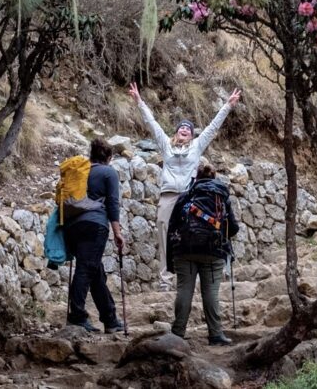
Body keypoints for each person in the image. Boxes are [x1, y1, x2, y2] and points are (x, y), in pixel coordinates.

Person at [129, 81, 241, 290]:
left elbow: (212, 128)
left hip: (190, 196)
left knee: (192, 233)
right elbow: (152, 124)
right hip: (169, 195)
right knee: (163, 231)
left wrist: (227, 106)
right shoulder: (166, 145)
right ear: (176, 132)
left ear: (191, 134)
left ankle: (191, 279)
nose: (184, 129)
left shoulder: (197, 147)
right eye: (181, 127)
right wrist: (139, 101)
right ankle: (165, 279)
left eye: (187, 129)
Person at [167, 165, 239, 345]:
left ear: (196, 178)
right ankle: (215, 334)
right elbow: (234, 228)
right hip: (213, 252)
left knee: (184, 290)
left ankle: (177, 333)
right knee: (211, 293)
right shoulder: (221, 197)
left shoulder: (187, 195)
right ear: (214, 178)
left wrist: (170, 260)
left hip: (185, 251)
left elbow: (172, 226)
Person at [64, 138, 125, 333]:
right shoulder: (108, 172)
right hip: (94, 225)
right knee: (86, 268)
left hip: (72, 225)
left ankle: (110, 318)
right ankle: (77, 316)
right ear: (109, 157)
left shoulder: (81, 171)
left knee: (95, 271)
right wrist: (117, 232)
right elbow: (112, 204)